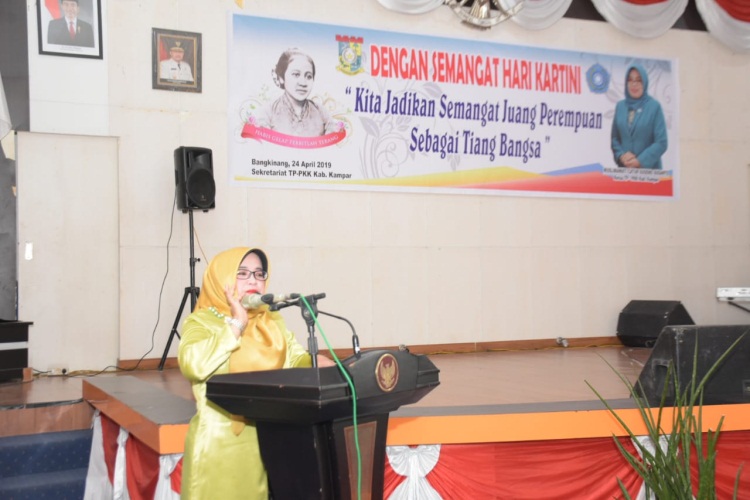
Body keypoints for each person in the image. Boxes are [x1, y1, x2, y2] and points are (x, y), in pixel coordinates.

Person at [178, 246, 334, 500]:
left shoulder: (270, 321)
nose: (253, 280)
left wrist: (322, 364)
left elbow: (295, 358)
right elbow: (193, 365)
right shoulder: (202, 321)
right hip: (218, 449)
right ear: (222, 279)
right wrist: (237, 325)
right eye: (242, 273)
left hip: (267, 440)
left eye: (259, 274)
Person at [253, 49, 341, 137]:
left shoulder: (321, 112)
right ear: (281, 78)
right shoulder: (267, 112)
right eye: (296, 75)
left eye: (308, 76)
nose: (303, 83)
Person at [611, 64, 668, 170]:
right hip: (625, 172)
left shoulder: (654, 107)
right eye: (630, 80)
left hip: (649, 173)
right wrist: (621, 156)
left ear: (645, 83)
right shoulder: (620, 106)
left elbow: (661, 142)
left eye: (638, 80)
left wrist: (640, 161)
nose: (634, 84)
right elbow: (615, 138)